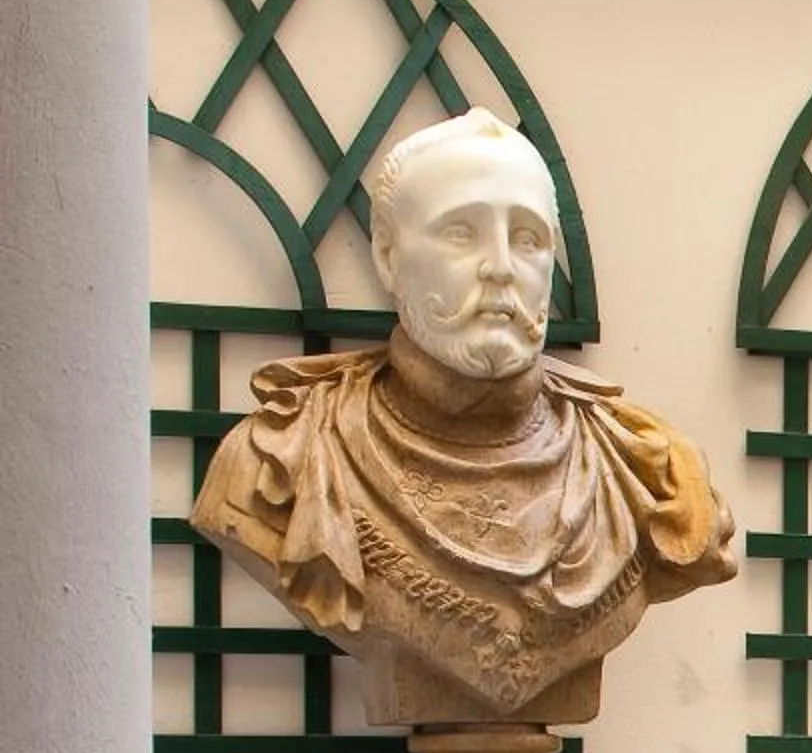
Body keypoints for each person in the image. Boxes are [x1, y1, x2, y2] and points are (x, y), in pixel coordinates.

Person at [191, 109, 736, 721]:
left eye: (528, 238)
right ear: (389, 258)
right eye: (460, 233)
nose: (501, 266)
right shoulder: (281, 460)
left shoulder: (645, 469)